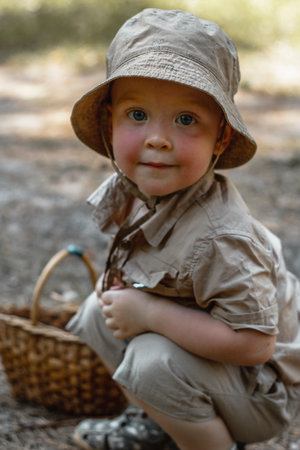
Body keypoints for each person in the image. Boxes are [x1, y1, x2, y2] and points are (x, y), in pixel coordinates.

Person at [67, 8, 300, 450]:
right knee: (103, 311)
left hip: (260, 390)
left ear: (221, 138)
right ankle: (164, 427)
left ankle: (211, 444)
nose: (158, 139)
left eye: (186, 120)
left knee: (151, 361)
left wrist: (151, 314)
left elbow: (255, 345)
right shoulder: (138, 190)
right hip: (211, 366)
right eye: (137, 115)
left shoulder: (223, 236)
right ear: (109, 121)